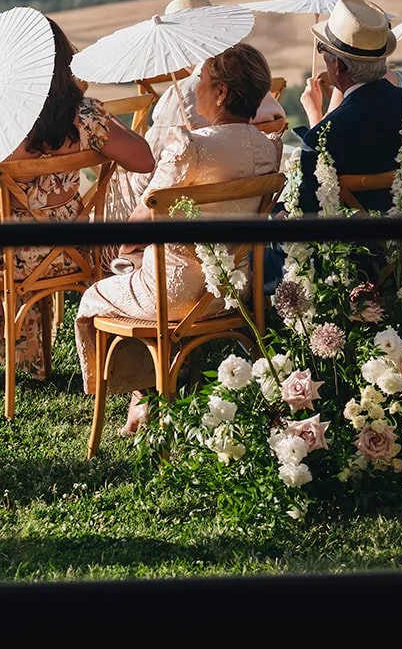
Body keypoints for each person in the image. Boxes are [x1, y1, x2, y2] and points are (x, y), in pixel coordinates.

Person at [73, 42, 282, 435]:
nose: (195, 85)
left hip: (175, 293)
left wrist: (125, 253)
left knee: (95, 296)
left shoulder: (189, 146)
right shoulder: (268, 148)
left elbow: (142, 218)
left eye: (200, 79)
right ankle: (153, 395)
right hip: (229, 290)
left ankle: (136, 398)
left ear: (220, 92)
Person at [0, 16, 155, 388]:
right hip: (68, 247)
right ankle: (31, 354)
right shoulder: (86, 115)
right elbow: (144, 160)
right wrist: (103, 120)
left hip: (6, 251)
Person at [293, 0, 402, 213]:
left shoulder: (323, 137)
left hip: (357, 244)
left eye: (322, 49)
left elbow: (310, 214)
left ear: (337, 66)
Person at [145, 0, 287, 155]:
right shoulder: (248, 79)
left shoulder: (180, 95)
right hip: (259, 173)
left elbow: (149, 164)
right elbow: (278, 122)